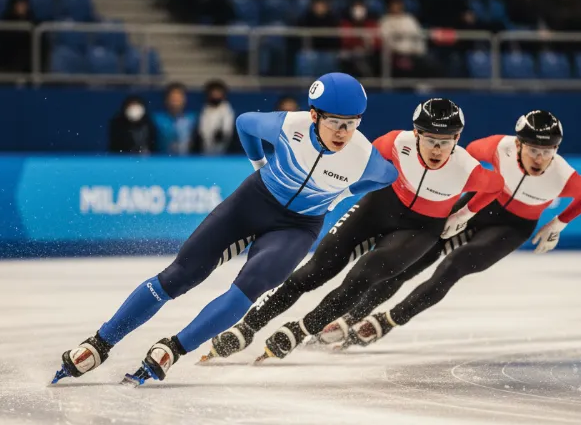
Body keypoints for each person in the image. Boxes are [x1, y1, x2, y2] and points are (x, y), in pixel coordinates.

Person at [52, 73, 398, 386]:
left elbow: (388, 176)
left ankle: (173, 348)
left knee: (247, 290)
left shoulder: (363, 156)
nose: (343, 133)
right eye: (336, 123)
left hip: (297, 228)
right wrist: (258, 164)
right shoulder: (286, 125)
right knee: (179, 276)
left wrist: (342, 193)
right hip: (252, 202)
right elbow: (245, 123)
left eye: (351, 124)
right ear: (314, 115)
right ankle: (101, 342)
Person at [202, 98, 505, 362]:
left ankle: (302, 329)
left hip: (421, 227)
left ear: (458, 138)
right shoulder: (393, 144)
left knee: (365, 274)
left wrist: (465, 214)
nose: (437, 149)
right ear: (416, 134)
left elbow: (496, 187)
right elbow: (355, 163)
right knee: (315, 269)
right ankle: (250, 325)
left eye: (446, 141)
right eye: (429, 140)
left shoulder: (467, 169)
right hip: (380, 207)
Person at [308, 111, 581, 350]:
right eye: (534, 149)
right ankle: (351, 317)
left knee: (453, 266)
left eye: (547, 151)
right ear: (518, 145)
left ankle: (387, 321)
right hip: (476, 210)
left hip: (512, 228)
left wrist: (559, 222)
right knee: (409, 264)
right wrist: (461, 207)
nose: (540, 158)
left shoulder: (563, 176)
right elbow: (468, 155)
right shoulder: (498, 147)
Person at [379, 0, 441, 78]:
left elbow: (418, 36)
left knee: (431, 61)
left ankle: (424, 85)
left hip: (413, 52)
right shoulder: (385, 21)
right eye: (394, 6)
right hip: (396, 53)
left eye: (398, 6)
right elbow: (385, 39)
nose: (396, 8)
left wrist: (417, 51)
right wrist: (399, 50)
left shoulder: (410, 19)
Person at [151, 83, 198, 155]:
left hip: (187, 161)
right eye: (173, 98)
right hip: (161, 159)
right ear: (166, 100)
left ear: (184, 99)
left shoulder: (193, 118)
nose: (176, 101)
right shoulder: (156, 119)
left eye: (178, 98)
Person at [339, 0, 381, 78]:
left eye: (361, 8)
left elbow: (377, 42)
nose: (358, 11)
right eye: (356, 8)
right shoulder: (346, 23)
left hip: (369, 52)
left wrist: (368, 43)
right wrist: (359, 40)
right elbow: (345, 41)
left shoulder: (371, 23)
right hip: (350, 52)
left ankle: (369, 79)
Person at [193, 80, 237, 155]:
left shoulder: (226, 109)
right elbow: (201, 128)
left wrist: (221, 134)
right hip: (204, 150)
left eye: (218, 92)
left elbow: (227, 129)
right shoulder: (205, 109)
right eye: (213, 92)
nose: (215, 94)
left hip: (222, 150)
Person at [0, 0, 33, 74]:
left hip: (27, 62)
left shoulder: (31, 19)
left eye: (24, 4)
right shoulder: (6, 19)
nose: (22, 7)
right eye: (19, 4)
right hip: (8, 60)